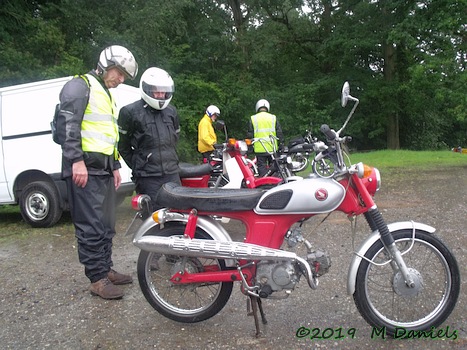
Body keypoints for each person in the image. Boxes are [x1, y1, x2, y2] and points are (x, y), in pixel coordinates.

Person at [58, 45, 138, 299]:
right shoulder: (80, 86)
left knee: (106, 225)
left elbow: (108, 136)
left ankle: (106, 269)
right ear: (105, 64)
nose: (121, 79)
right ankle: (97, 279)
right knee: (91, 226)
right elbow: (68, 127)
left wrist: (115, 166)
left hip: (103, 171)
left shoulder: (106, 93)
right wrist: (76, 161)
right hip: (86, 171)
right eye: (120, 73)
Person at [118, 67, 181, 212]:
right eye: (156, 91)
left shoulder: (171, 111)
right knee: (153, 216)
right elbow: (123, 146)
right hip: (148, 177)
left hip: (172, 173)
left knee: (178, 213)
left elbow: (175, 139)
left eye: (163, 91)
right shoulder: (130, 112)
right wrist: (138, 164)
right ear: (147, 89)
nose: (160, 94)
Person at [247, 99, 284, 176]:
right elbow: (279, 133)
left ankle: (264, 183)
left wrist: (250, 148)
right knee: (274, 167)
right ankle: (275, 182)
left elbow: (250, 135)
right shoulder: (273, 118)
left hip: (260, 148)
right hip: (272, 147)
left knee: (262, 167)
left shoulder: (253, 118)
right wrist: (281, 144)